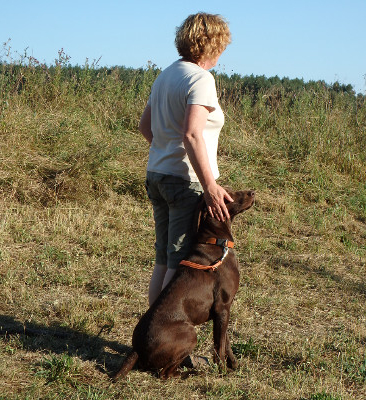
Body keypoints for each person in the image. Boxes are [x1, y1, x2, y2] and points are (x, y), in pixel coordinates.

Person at [139, 12, 233, 306]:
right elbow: (192, 135)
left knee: (163, 259)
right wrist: (210, 186)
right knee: (179, 263)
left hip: (157, 175)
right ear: (212, 44)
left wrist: (166, 151)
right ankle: (162, 342)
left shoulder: (166, 75)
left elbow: (145, 126)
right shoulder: (201, 79)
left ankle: (151, 335)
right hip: (184, 183)